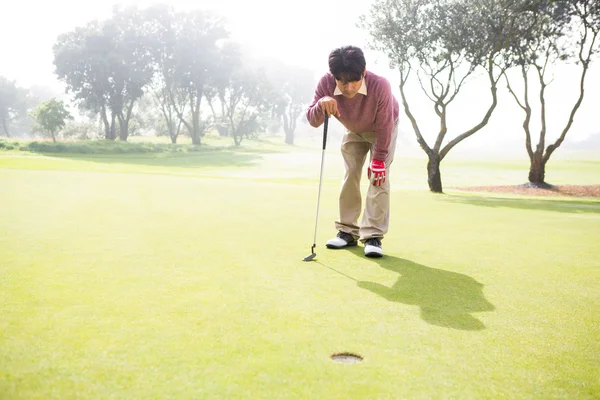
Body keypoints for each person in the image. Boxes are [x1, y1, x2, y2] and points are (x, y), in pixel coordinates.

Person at [306, 45, 400, 258]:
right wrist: (322, 104)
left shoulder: (380, 85)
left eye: (353, 81)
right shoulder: (326, 83)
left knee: (378, 177)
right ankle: (347, 231)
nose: (348, 88)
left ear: (364, 72)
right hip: (353, 128)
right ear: (334, 77)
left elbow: (385, 124)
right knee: (350, 175)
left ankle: (373, 236)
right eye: (342, 81)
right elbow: (313, 121)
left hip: (382, 128)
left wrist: (379, 160)